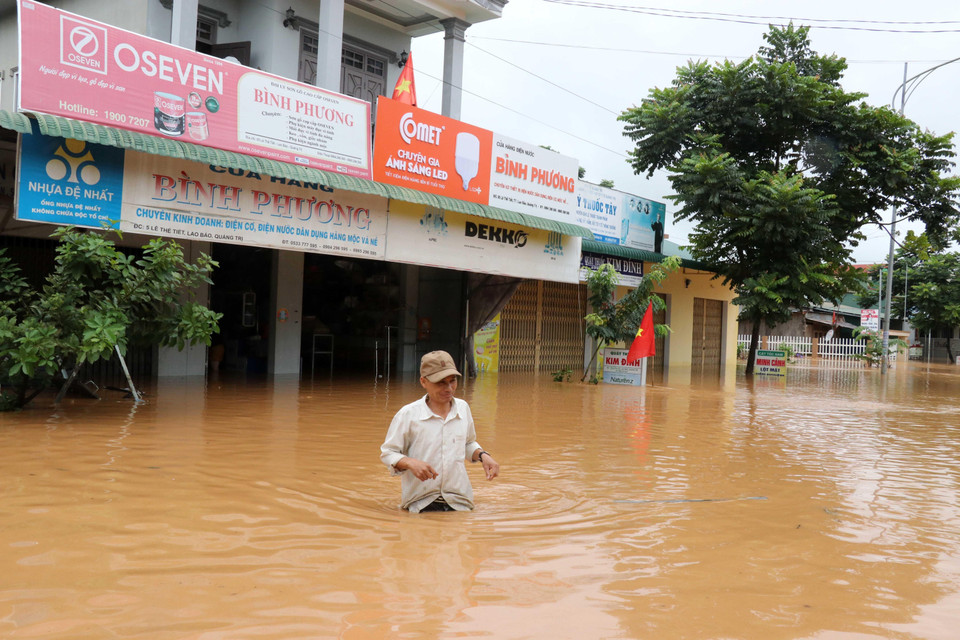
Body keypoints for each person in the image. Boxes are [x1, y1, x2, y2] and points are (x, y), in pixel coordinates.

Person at [380, 350, 500, 512]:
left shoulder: (463, 409)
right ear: (423, 382)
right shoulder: (408, 415)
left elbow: (467, 443)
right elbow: (388, 453)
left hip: (460, 501)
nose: (449, 388)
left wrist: (483, 455)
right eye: (441, 382)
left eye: (453, 381)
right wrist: (410, 462)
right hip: (420, 503)